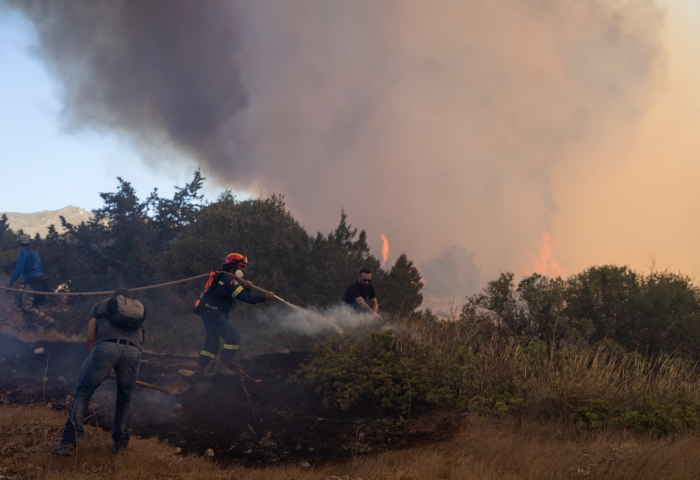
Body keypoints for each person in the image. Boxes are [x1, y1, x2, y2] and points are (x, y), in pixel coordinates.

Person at [52, 289, 145, 456]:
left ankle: (68, 442)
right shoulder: (137, 310)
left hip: (106, 347)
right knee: (125, 398)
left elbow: (90, 338)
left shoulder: (101, 305)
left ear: (114, 297)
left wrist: (93, 361)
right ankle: (121, 446)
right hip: (134, 351)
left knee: (83, 393)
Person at [194, 253, 274, 378]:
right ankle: (221, 367)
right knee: (233, 337)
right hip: (215, 314)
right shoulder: (228, 280)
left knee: (212, 342)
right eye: (240, 267)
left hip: (208, 312)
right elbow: (247, 299)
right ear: (233, 267)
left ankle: (199, 371)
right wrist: (265, 297)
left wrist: (246, 288)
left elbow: (237, 293)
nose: (241, 270)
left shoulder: (223, 276)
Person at [6, 234, 56, 331]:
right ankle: (35, 330)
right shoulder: (35, 253)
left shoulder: (23, 254)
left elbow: (18, 269)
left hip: (31, 283)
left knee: (25, 307)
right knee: (35, 307)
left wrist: (10, 283)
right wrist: (49, 288)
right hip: (41, 283)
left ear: (19, 244)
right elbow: (38, 270)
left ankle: (48, 321)